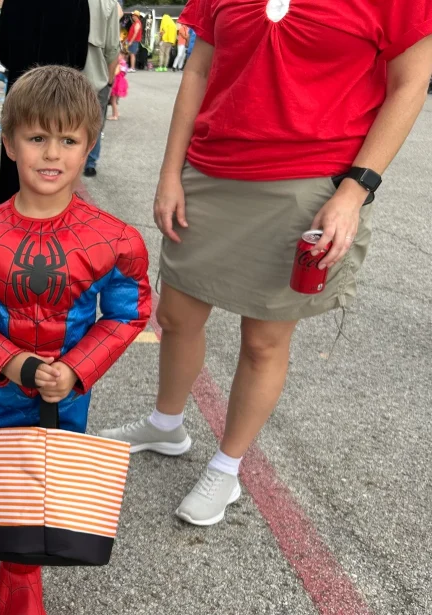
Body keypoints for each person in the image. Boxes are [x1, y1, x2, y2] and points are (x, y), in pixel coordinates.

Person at [99, 0, 432, 527]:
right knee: (177, 316)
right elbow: (200, 71)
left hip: (308, 185)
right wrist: (170, 173)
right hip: (210, 173)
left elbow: (410, 83)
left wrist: (356, 187)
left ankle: (227, 466)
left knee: (264, 341)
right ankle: (166, 424)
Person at [0, 65, 152, 615]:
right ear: (8, 144)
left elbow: (127, 315)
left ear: (89, 146)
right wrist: (15, 364)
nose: (51, 154)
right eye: (36, 138)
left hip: (63, 402)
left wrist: (76, 369)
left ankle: (21, 576)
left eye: (69, 140)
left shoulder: (117, 241)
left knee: (38, 489)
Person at [0, 0, 91, 204]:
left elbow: (2, 44)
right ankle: (55, 215)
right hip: (61, 90)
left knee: (19, 146)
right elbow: (80, 53)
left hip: (21, 84)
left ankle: (9, 216)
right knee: (60, 150)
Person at [81, 0, 121, 178]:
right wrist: (109, 81)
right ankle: (90, 162)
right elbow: (113, 48)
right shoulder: (108, 4)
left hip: (63, 77)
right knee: (95, 123)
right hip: (96, 77)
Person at [107, 55, 129, 120]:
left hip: (116, 83)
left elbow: (115, 73)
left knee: (113, 100)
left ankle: (115, 115)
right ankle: (116, 112)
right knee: (115, 100)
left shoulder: (118, 63)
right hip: (121, 82)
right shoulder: (124, 63)